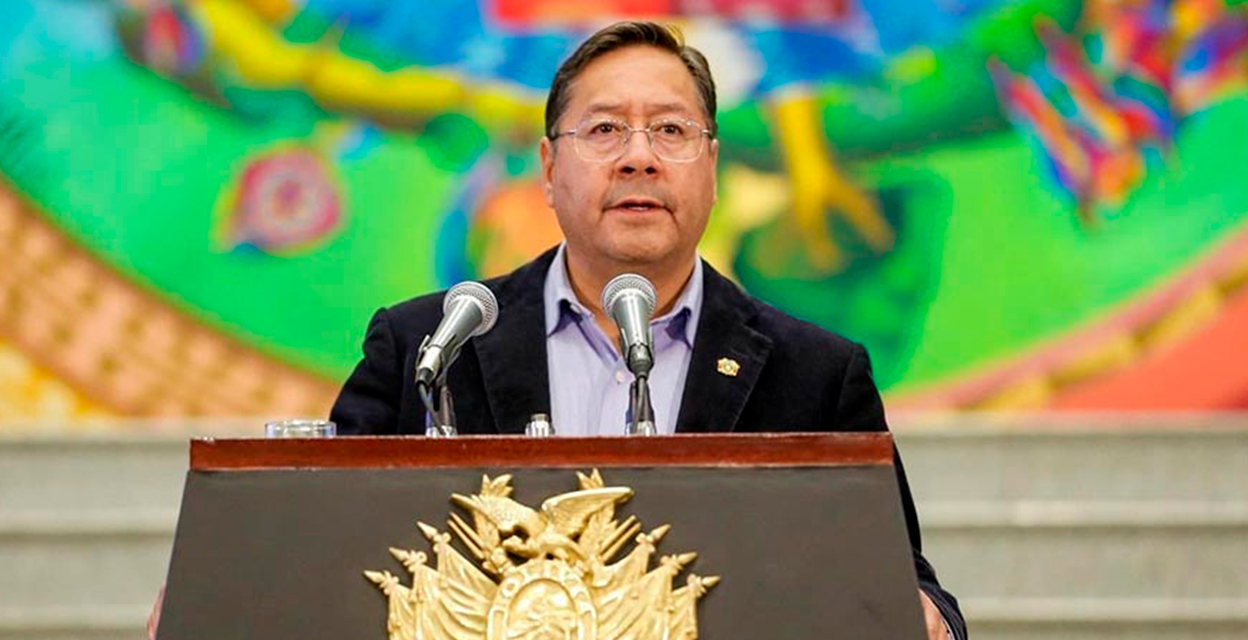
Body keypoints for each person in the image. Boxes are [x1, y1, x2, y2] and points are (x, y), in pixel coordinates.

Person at [331, 21, 964, 640]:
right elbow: (324, 557)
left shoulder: (817, 373)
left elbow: (907, 585)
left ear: (712, 168)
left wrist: (926, 617)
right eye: (605, 130)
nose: (640, 157)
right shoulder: (427, 346)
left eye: (670, 130)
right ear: (548, 168)